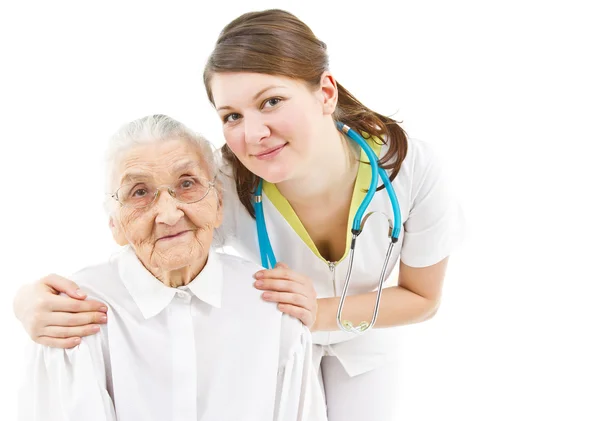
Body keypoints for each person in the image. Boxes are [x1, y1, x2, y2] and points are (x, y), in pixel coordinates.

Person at [13, 9, 465, 421]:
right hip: (268, 341)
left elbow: (423, 298)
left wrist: (316, 313)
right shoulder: (218, 181)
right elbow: (144, 230)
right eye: (231, 115)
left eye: (271, 101)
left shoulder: (412, 170)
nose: (253, 134)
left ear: (325, 92)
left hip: (361, 338)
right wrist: (27, 304)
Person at [17, 114, 326, 421]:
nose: (168, 214)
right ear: (115, 226)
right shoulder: (71, 317)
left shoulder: (273, 308)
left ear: (219, 203)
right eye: (139, 192)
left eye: (187, 183)